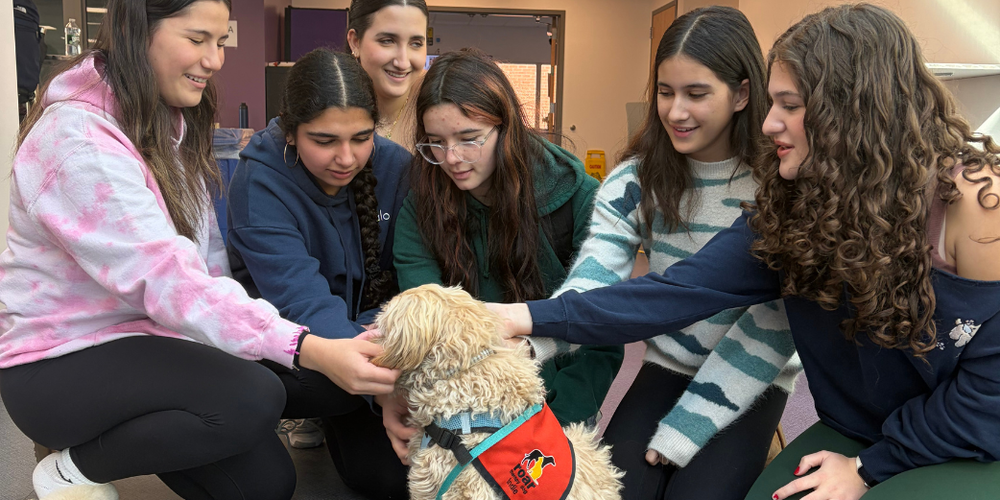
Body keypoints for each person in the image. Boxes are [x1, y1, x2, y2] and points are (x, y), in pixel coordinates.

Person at [489, 4, 1000, 500]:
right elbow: (677, 291)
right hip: (861, 427)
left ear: (853, 109)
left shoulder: (978, 203)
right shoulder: (800, 199)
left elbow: (991, 395)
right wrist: (524, 319)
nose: (768, 123)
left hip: (963, 437)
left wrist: (868, 469)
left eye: (791, 106)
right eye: (773, 103)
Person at [0, 1, 398, 500]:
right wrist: (305, 346)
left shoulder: (172, 122)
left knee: (266, 483)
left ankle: (199, 412)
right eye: (197, 39)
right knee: (255, 394)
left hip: (158, 338)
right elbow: (167, 278)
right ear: (136, 31)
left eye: (220, 41)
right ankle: (71, 469)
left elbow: (205, 264)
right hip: (63, 363)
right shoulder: (77, 140)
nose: (214, 59)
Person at [532, 6, 800, 499]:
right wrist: (529, 344)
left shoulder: (777, 183)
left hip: (752, 374)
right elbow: (594, 279)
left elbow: (775, 323)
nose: (676, 111)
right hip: (666, 361)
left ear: (742, 93)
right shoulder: (635, 179)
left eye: (697, 94)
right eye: (664, 91)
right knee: (612, 490)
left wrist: (690, 426)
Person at [388, 49, 624, 460]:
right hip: (464, 395)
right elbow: (429, 329)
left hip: (559, 397)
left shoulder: (580, 199)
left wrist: (554, 429)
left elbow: (602, 334)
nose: (452, 159)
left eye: (468, 139)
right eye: (436, 144)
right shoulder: (421, 207)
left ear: (506, 127)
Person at [226, 48, 411, 499]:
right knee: (322, 389)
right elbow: (301, 300)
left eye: (362, 138)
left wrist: (391, 369)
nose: (346, 158)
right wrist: (382, 391)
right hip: (296, 348)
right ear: (291, 132)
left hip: (370, 336)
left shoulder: (396, 167)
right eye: (324, 141)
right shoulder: (259, 183)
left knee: (390, 480)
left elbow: (406, 279)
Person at [347, 0, 428, 150]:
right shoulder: (328, 100)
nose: (403, 63)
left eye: (416, 43)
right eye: (387, 41)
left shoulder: (438, 99)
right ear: (355, 42)